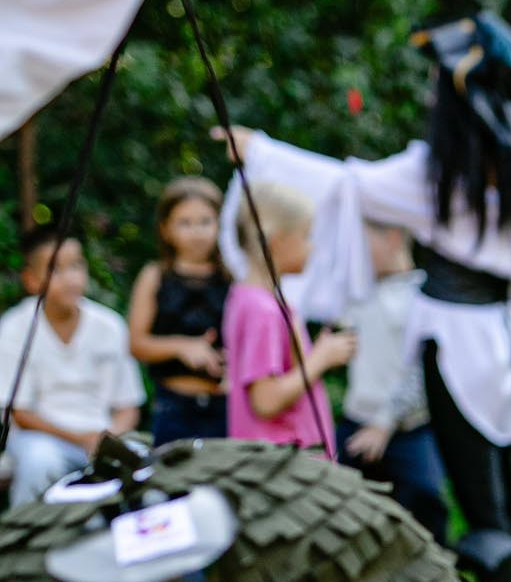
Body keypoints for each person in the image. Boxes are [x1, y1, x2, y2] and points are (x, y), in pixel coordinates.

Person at [214, 10, 511, 582]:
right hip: (508, 341)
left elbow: (348, 184)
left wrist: (262, 152)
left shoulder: (439, 177)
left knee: (481, 501)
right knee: (505, 482)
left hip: (458, 346)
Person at [0, 224, 144, 506]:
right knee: (40, 462)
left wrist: (107, 438)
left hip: (102, 437)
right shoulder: (15, 328)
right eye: (56, 269)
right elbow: (19, 413)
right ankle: (29, 543)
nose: (71, 278)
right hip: (41, 438)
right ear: (31, 280)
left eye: (77, 266)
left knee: (142, 465)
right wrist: (81, 439)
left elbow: (129, 406)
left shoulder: (109, 324)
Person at [223, 183, 354, 459]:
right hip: (283, 465)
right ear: (277, 242)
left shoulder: (248, 298)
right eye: (306, 236)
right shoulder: (262, 310)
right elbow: (266, 401)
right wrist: (322, 357)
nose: (313, 247)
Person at [338, 220, 448, 544]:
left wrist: (385, 423)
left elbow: (422, 370)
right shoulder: (357, 294)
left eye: (363, 243)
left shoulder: (425, 295)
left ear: (394, 236)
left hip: (408, 431)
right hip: (355, 425)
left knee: (426, 509)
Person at [128, 175, 229, 444]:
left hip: (227, 407)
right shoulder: (155, 276)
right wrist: (183, 347)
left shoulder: (233, 277)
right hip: (175, 406)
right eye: (185, 223)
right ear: (166, 229)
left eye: (205, 221)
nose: (197, 232)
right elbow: (136, 343)